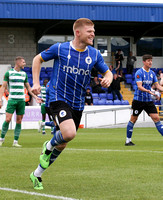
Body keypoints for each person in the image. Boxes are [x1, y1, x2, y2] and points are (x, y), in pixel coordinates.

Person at [30, 18, 113, 190]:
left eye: (93, 31)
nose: (93, 34)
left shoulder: (94, 54)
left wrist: (108, 78)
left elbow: (108, 73)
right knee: (68, 133)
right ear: (78, 32)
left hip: (77, 103)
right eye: (90, 31)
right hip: (57, 97)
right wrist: (36, 83)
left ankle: (37, 174)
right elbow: (37, 59)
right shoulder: (60, 48)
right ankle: (48, 145)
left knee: (63, 142)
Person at [0, 56, 42, 147]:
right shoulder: (9, 73)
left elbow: (28, 88)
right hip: (12, 100)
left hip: (21, 101)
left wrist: (35, 97)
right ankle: (1, 139)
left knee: (19, 121)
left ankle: (15, 142)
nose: (25, 64)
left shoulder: (24, 74)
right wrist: (0, 99)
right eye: (23, 62)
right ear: (18, 63)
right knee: (8, 119)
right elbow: (3, 87)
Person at [125, 54, 163, 146]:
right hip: (138, 100)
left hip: (148, 101)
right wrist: (149, 91)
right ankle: (128, 140)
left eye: (151, 60)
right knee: (133, 119)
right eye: (148, 60)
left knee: (156, 118)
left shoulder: (152, 73)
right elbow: (139, 86)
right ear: (144, 62)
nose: (150, 62)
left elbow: (157, 85)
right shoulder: (139, 72)